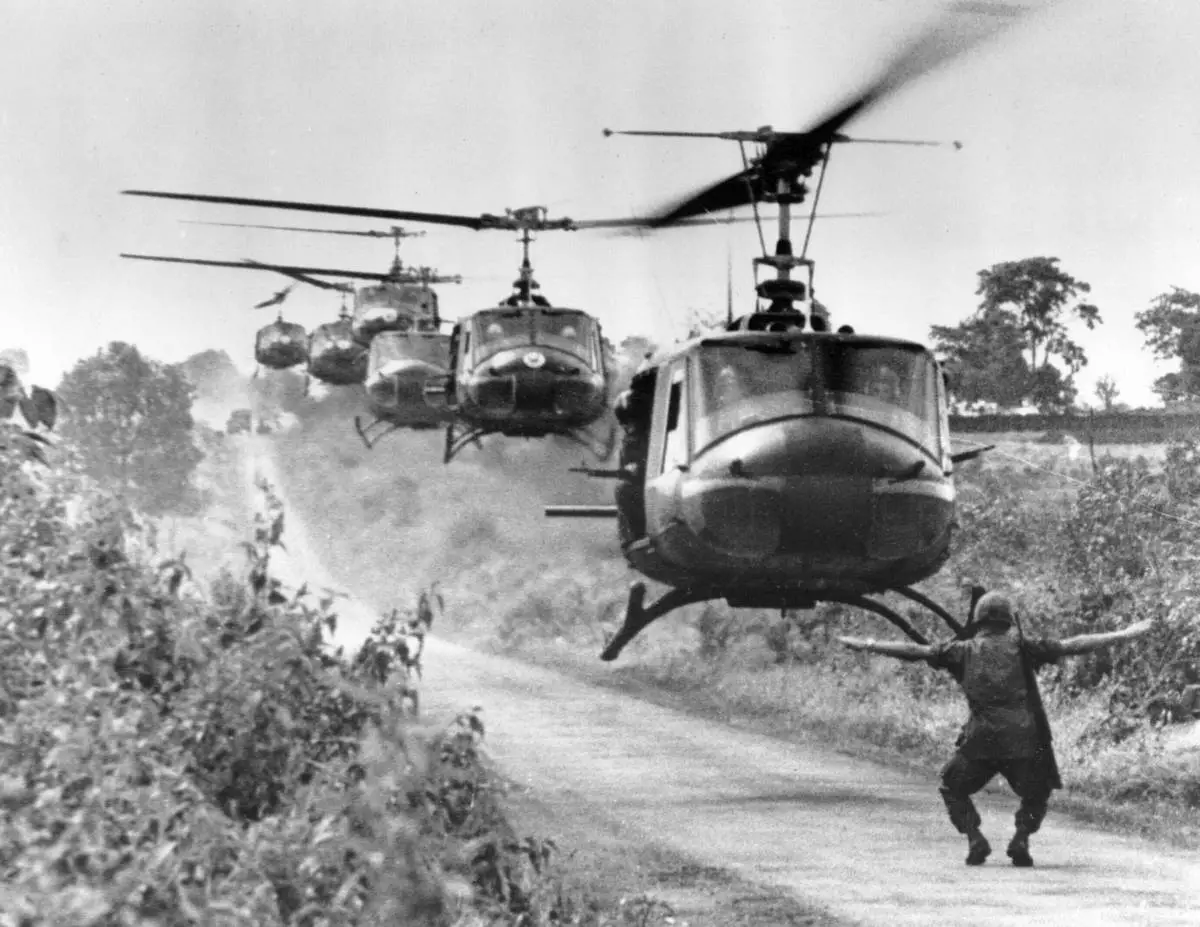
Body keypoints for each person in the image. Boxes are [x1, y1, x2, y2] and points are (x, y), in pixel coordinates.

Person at [838, 592, 1152, 867]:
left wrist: (867, 644)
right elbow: (1074, 645)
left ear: (978, 620)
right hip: (1024, 739)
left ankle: (975, 837)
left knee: (952, 787)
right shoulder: (1024, 647)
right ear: (1009, 620)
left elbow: (915, 651)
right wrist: (1124, 634)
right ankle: (1021, 839)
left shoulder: (961, 650)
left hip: (981, 739)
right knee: (1037, 791)